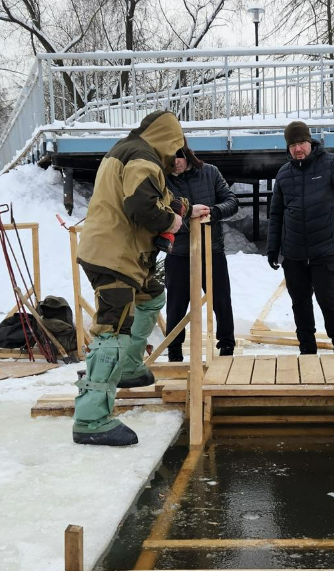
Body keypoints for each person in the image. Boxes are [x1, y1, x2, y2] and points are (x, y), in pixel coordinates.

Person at [73, 111, 209, 447]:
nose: (179, 161)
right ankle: (91, 419)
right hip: (113, 256)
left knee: (151, 298)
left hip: (126, 256)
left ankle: (130, 366)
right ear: (169, 142)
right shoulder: (143, 159)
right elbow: (143, 208)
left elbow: (156, 197)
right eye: (179, 153)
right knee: (113, 326)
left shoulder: (135, 152)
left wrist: (186, 210)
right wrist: (172, 223)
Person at [267, 120, 334, 354]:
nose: (298, 149)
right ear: (288, 148)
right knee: (300, 303)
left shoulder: (331, 163)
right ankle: (307, 350)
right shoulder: (284, 174)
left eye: (302, 143)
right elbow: (276, 213)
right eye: (293, 145)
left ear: (310, 142)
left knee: (328, 300)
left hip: (325, 248)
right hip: (294, 252)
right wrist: (272, 248)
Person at [164, 142, 240, 361]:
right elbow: (162, 212)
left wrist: (215, 212)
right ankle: (174, 351)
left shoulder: (210, 173)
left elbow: (231, 201)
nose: (174, 165)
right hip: (178, 251)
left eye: (177, 159)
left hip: (212, 248)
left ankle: (226, 347)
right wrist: (189, 217)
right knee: (176, 305)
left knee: (222, 301)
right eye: (169, 161)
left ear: (186, 156)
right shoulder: (164, 179)